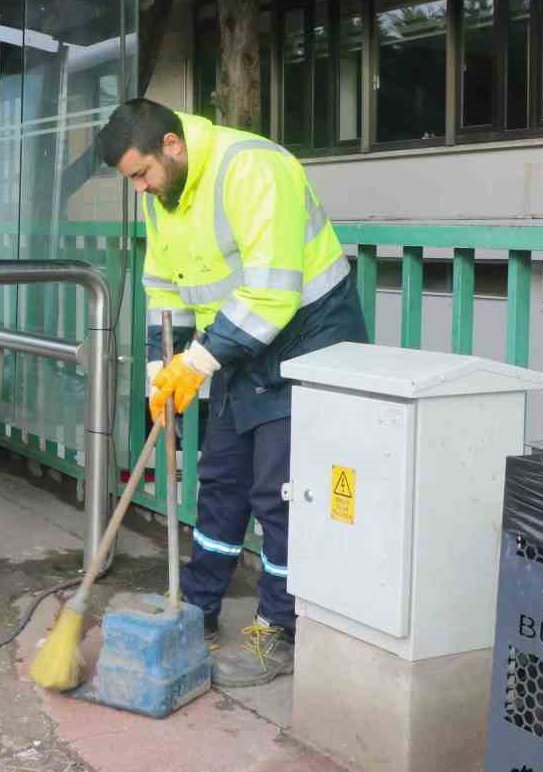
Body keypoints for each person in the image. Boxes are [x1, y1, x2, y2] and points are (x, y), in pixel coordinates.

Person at [95, 98, 368, 688]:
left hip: (308, 336)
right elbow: (165, 283)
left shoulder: (254, 167)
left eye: (141, 173)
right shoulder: (165, 196)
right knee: (221, 475)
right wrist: (158, 369)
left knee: (282, 493)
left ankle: (278, 630)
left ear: (172, 144)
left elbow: (273, 292)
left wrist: (196, 363)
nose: (140, 188)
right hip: (239, 339)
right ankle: (198, 608)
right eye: (131, 181)